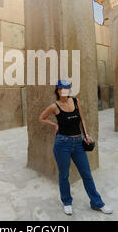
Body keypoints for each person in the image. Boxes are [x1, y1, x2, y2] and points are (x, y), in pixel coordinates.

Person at [38, 80, 113, 216]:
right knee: (64, 175)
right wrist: (54, 125)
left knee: (87, 174)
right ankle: (67, 202)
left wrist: (86, 135)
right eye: (61, 88)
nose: (64, 90)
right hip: (62, 144)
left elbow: (82, 120)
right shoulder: (54, 106)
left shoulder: (75, 101)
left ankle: (97, 203)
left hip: (78, 143)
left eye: (67, 88)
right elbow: (41, 117)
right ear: (57, 90)